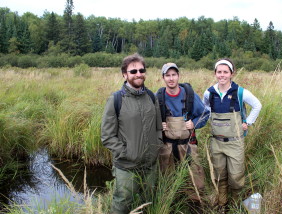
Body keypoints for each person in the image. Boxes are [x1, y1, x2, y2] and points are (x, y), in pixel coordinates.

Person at [101, 53, 163, 214]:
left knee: (148, 200)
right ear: (124, 74)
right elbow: (107, 136)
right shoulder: (116, 99)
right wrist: (126, 153)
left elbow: (158, 128)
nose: (138, 74)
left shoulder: (151, 96)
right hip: (127, 165)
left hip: (150, 164)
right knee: (122, 203)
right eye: (133, 71)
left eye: (141, 70)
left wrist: (156, 147)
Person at [203, 58, 262, 212]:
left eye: (225, 72)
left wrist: (248, 122)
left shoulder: (240, 92)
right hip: (216, 142)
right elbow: (206, 110)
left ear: (231, 73)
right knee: (220, 176)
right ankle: (223, 205)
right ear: (215, 73)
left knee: (236, 178)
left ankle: (235, 205)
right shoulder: (209, 93)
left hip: (235, 142)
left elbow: (257, 105)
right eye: (219, 72)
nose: (222, 75)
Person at [157, 63, 210, 210]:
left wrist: (194, 123)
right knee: (167, 180)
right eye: (168, 75)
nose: (171, 78)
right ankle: (170, 205)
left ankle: (195, 206)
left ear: (178, 76)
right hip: (166, 146)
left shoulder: (189, 94)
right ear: (163, 78)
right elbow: (149, 118)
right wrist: (158, 125)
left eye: (174, 75)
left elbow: (205, 114)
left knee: (196, 180)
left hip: (188, 144)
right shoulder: (158, 96)